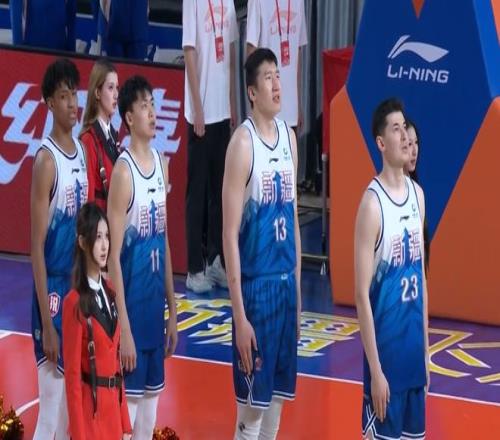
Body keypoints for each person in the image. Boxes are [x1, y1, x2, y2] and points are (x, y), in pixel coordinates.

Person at [222, 48, 302, 440]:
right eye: (267, 77)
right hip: (256, 289)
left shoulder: (289, 137)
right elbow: (229, 234)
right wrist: (239, 316)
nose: (276, 84)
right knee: (252, 410)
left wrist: (298, 292)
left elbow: (294, 220)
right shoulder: (242, 144)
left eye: (277, 75)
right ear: (252, 92)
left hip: (285, 287)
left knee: (276, 405)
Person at [107, 75, 178, 439]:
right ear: (129, 117)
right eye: (144, 106)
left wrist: (173, 311)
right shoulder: (123, 173)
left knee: (147, 424)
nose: (152, 112)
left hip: (154, 315)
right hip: (132, 317)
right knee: (125, 425)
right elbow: (111, 259)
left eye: (153, 104)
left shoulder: (161, 164)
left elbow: (163, 242)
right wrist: (124, 330)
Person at [354, 99, 429, 440]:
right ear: (381, 143)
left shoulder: (418, 196)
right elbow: (361, 296)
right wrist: (375, 371)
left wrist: (425, 353)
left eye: (404, 127)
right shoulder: (372, 205)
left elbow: (421, 280)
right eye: (395, 129)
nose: (404, 136)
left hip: (413, 360)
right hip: (385, 363)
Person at [31, 57, 88, 439]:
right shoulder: (46, 162)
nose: (72, 104)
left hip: (76, 290)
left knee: (72, 412)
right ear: (50, 102)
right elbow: (35, 248)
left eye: (74, 95)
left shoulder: (80, 152)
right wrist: (47, 325)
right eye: (64, 96)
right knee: (50, 411)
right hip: (52, 290)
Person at [182, 0, 238, 292]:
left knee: (220, 190)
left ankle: (216, 260)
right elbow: (189, 52)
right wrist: (197, 107)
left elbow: (230, 51)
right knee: (198, 193)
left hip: (222, 110)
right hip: (201, 112)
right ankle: (194, 268)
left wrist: (231, 100)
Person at [63, 202, 132, 440]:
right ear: (83, 242)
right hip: (90, 420)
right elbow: (72, 379)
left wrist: (125, 423)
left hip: (113, 418)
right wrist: (79, 435)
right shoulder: (73, 303)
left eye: (106, 237)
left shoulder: (111, 292)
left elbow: (117, 366)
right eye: (97, 237)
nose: (104, 246)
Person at [246, 0, 308, 131]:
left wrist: (298, 104)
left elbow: (297, 56)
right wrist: (254, 106)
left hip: (291, 110)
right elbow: (251, 54)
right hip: (266, 110)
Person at [80, 59, 120, 212]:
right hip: (98, 222)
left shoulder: (113, 136)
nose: (116, 94)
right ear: (97, 93)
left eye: (117, 88)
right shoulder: (89, 139)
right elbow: (88, 199)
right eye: (110, 88)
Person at [404, 119, 430, 273]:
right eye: (409, 144)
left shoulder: (418, 192)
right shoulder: (380, 196)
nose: (414, 151)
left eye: (416, 143)